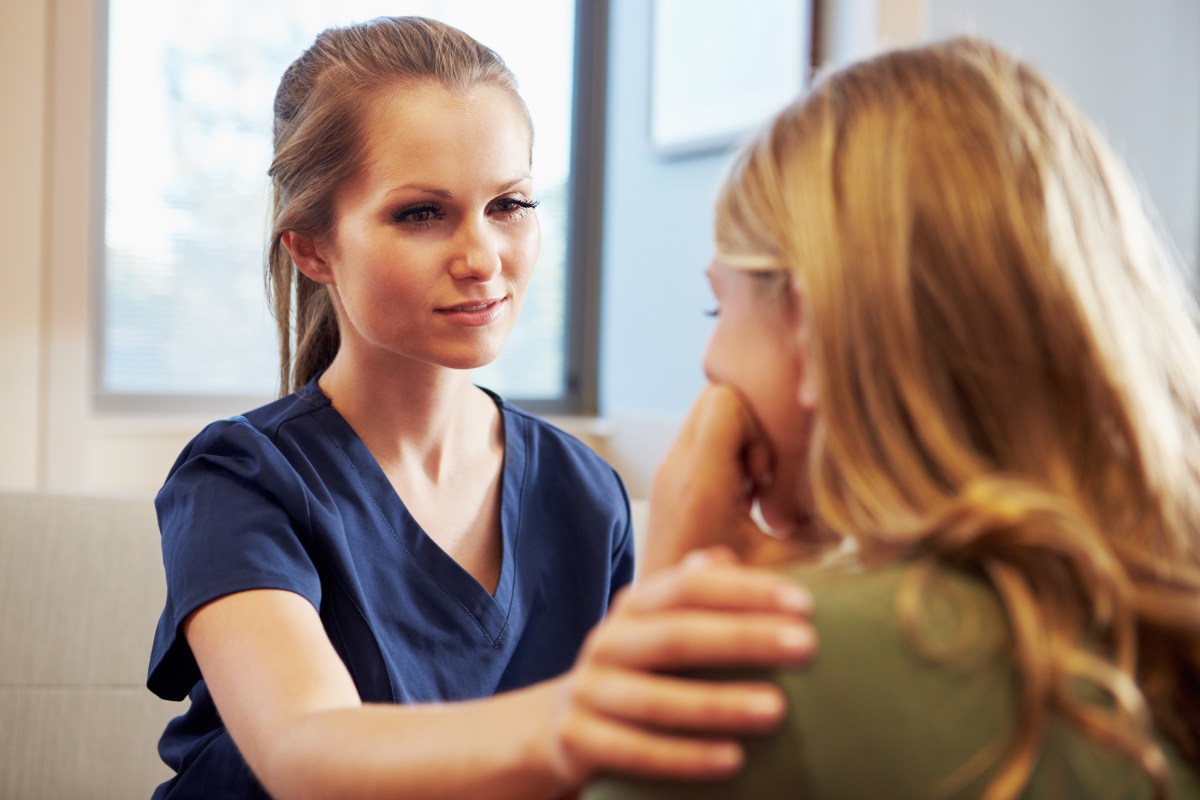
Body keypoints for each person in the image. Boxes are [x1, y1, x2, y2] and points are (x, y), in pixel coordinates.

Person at [146, 16, 817, 800]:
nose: (482, 257)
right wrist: (581, 718)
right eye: (422, 214)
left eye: (510, 205)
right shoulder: (238, 480)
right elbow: (305, 750)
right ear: (313, 248)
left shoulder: (584, 491)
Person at [585, 36, 1200, 799]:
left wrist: (670, 626)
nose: (709, 360)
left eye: (722, 306)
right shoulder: (1145, 630)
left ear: (810, 331)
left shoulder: (763, 672)